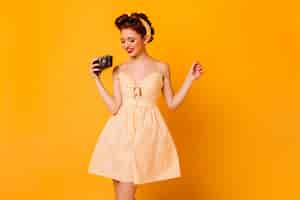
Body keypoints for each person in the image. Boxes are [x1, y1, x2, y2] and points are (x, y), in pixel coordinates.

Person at [88, 12, 204, 200]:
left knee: (124, 197)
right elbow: (115, 108)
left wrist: (190, 79)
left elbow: (171, 103)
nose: (127, 45)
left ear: (146, 38)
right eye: (123, 41)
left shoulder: (161, 68)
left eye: (131, 40)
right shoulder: (119, 70)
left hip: (144, 135)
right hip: (118, 135)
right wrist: (96, 80)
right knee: (122, 196)